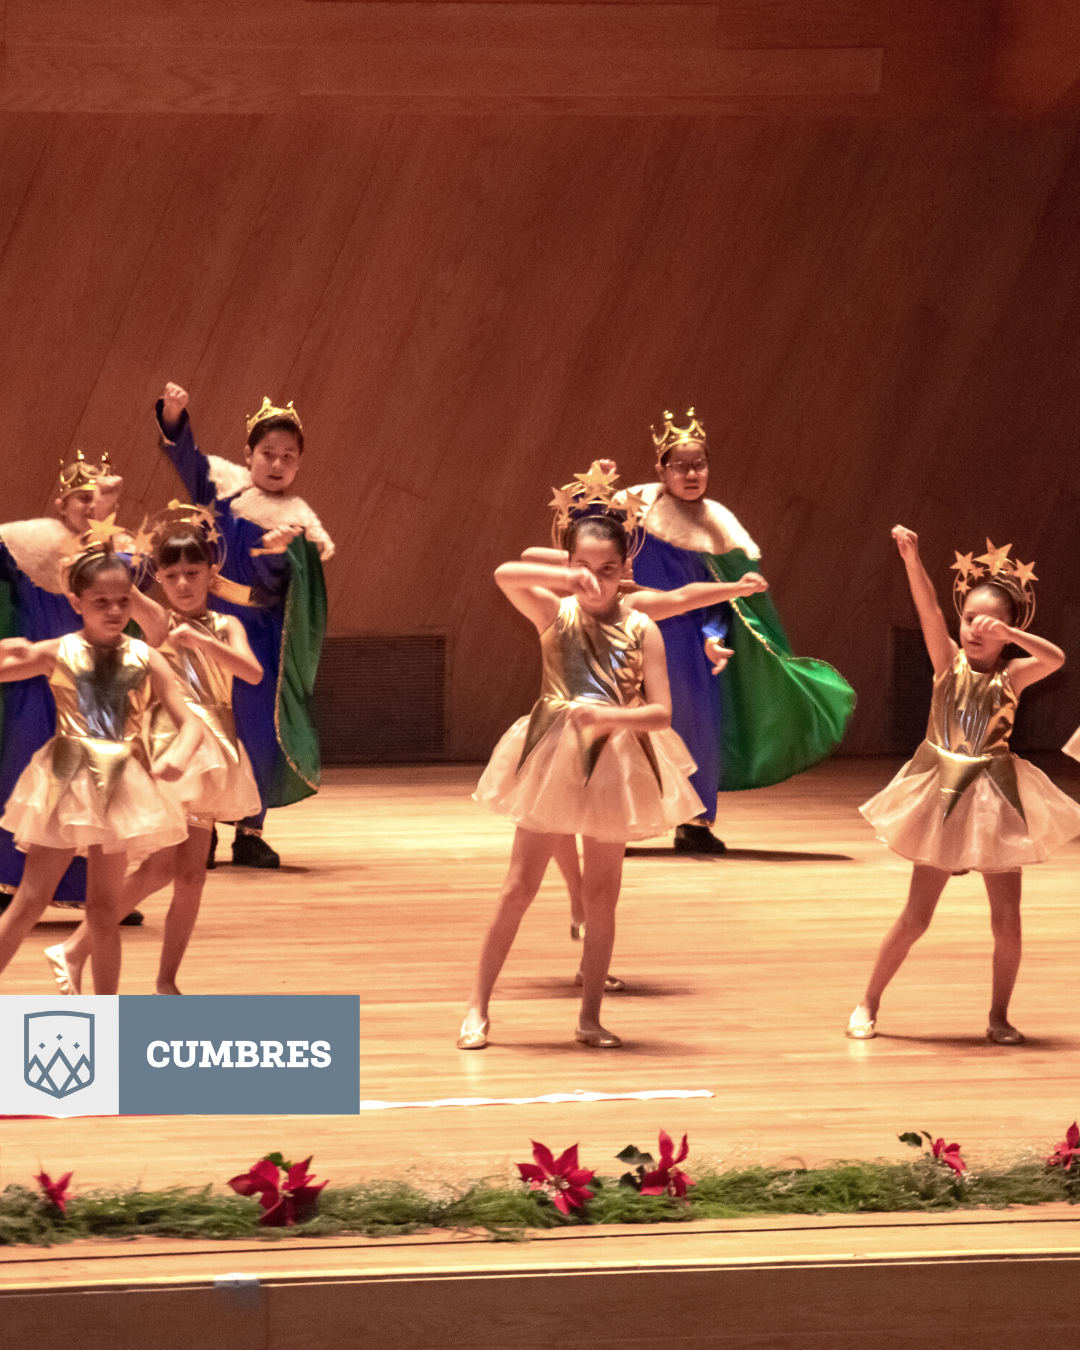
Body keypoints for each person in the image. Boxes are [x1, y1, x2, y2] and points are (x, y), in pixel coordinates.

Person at [459, 470, 708, 1051]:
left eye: (607, 570)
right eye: (583, 569)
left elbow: (661, 714)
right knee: (518, 887)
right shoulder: (554, 613)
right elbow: (505, 573)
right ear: (567, 565)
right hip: (551, 753)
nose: (594, 582)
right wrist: (569, 574)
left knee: (602, 895)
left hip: (615, 761)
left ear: (625, 571)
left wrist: (611, 718)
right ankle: (478, 1006)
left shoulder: (642, 628)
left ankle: (590, 1015)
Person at [847, 527, 1080, 1046]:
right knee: (915, 916)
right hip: (942, 796)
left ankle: (999, 1016)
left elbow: (1056, 660)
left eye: (989, 622)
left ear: (1009, 629)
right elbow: (928, 606)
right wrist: (911, 556)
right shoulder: (945, 661)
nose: (976, 628)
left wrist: (1012, 635)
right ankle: (868, 1000)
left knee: (1008, 923)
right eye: (970, 617)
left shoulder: (1013, 676)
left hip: (996, 798)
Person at [45, 510, 263, 995]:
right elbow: (128, 591)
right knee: (168, 865)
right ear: (159, 579)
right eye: (171, 575)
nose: (183, 583)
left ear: (211, 573)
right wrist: (102, 537)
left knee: (189, 874)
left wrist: (203, 641)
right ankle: (84, 951)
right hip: (171, 747)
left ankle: (159, 979)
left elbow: (251, 673)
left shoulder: (226, 626)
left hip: (215, 751)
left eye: (193, 572)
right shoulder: (157, 620)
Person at [624, 410, 855, 852]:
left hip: (689, 643)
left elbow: (727, 600)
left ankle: (694, 823)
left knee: (697, 728)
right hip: (633, 635)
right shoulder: (634, 511)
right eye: (680, 465)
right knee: (633, 728)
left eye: (699, 465)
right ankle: (621, 819)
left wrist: (713, 637)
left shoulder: (721, 526)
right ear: (660, 469)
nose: (691, 474)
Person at [0, 540, 201, 993]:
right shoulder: (59, 651)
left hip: (120, 782)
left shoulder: (145, 657)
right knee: (31, 900)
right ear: (76, 603)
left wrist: (179, 754)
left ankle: (105, 1017)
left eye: (123, 601)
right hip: (67, 777)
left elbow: (191, 723)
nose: (114, 611)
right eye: (100, 602)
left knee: (103, 911)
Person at [155, 383, 332, 869]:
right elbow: (187, 458)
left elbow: (296, 587)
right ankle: (202, 825)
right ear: (248, 455)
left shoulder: (298, 523)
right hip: (206, 624)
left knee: (256, 728)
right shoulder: (223, 496)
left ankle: (251, 829)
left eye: (288, 457)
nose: (277, 465)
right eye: (268, 454)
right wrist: (174, 417)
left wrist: (284, 555)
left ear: (299, 463)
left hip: (261, 634)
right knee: (208, 722)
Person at [0, 452, 148, 917]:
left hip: (93, 686)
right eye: (79, 498)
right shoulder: (27, 545)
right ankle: (10, 883)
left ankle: (95, 895)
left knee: (99, 788)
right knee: (25, 778)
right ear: (61, 505)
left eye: (95, 497)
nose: (87, 505)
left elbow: (132, 583)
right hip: (37, 680)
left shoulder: (112, 552)